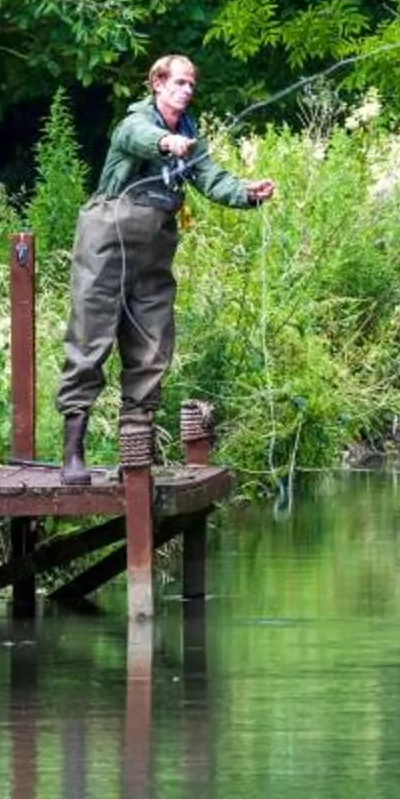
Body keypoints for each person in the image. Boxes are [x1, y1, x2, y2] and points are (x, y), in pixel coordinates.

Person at [56, 54, 274, 483]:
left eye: (191, 84)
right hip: (107, 238)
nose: (186, 91)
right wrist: (164, 143)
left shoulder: (191, 135)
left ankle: (135, 459)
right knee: (90, 338)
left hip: (156, 247)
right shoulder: (135, 122)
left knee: (153, 344)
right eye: (178, 82)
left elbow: (213, 179)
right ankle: (72, 456)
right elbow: (139, 137)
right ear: (156, 83)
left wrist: (248, 192)